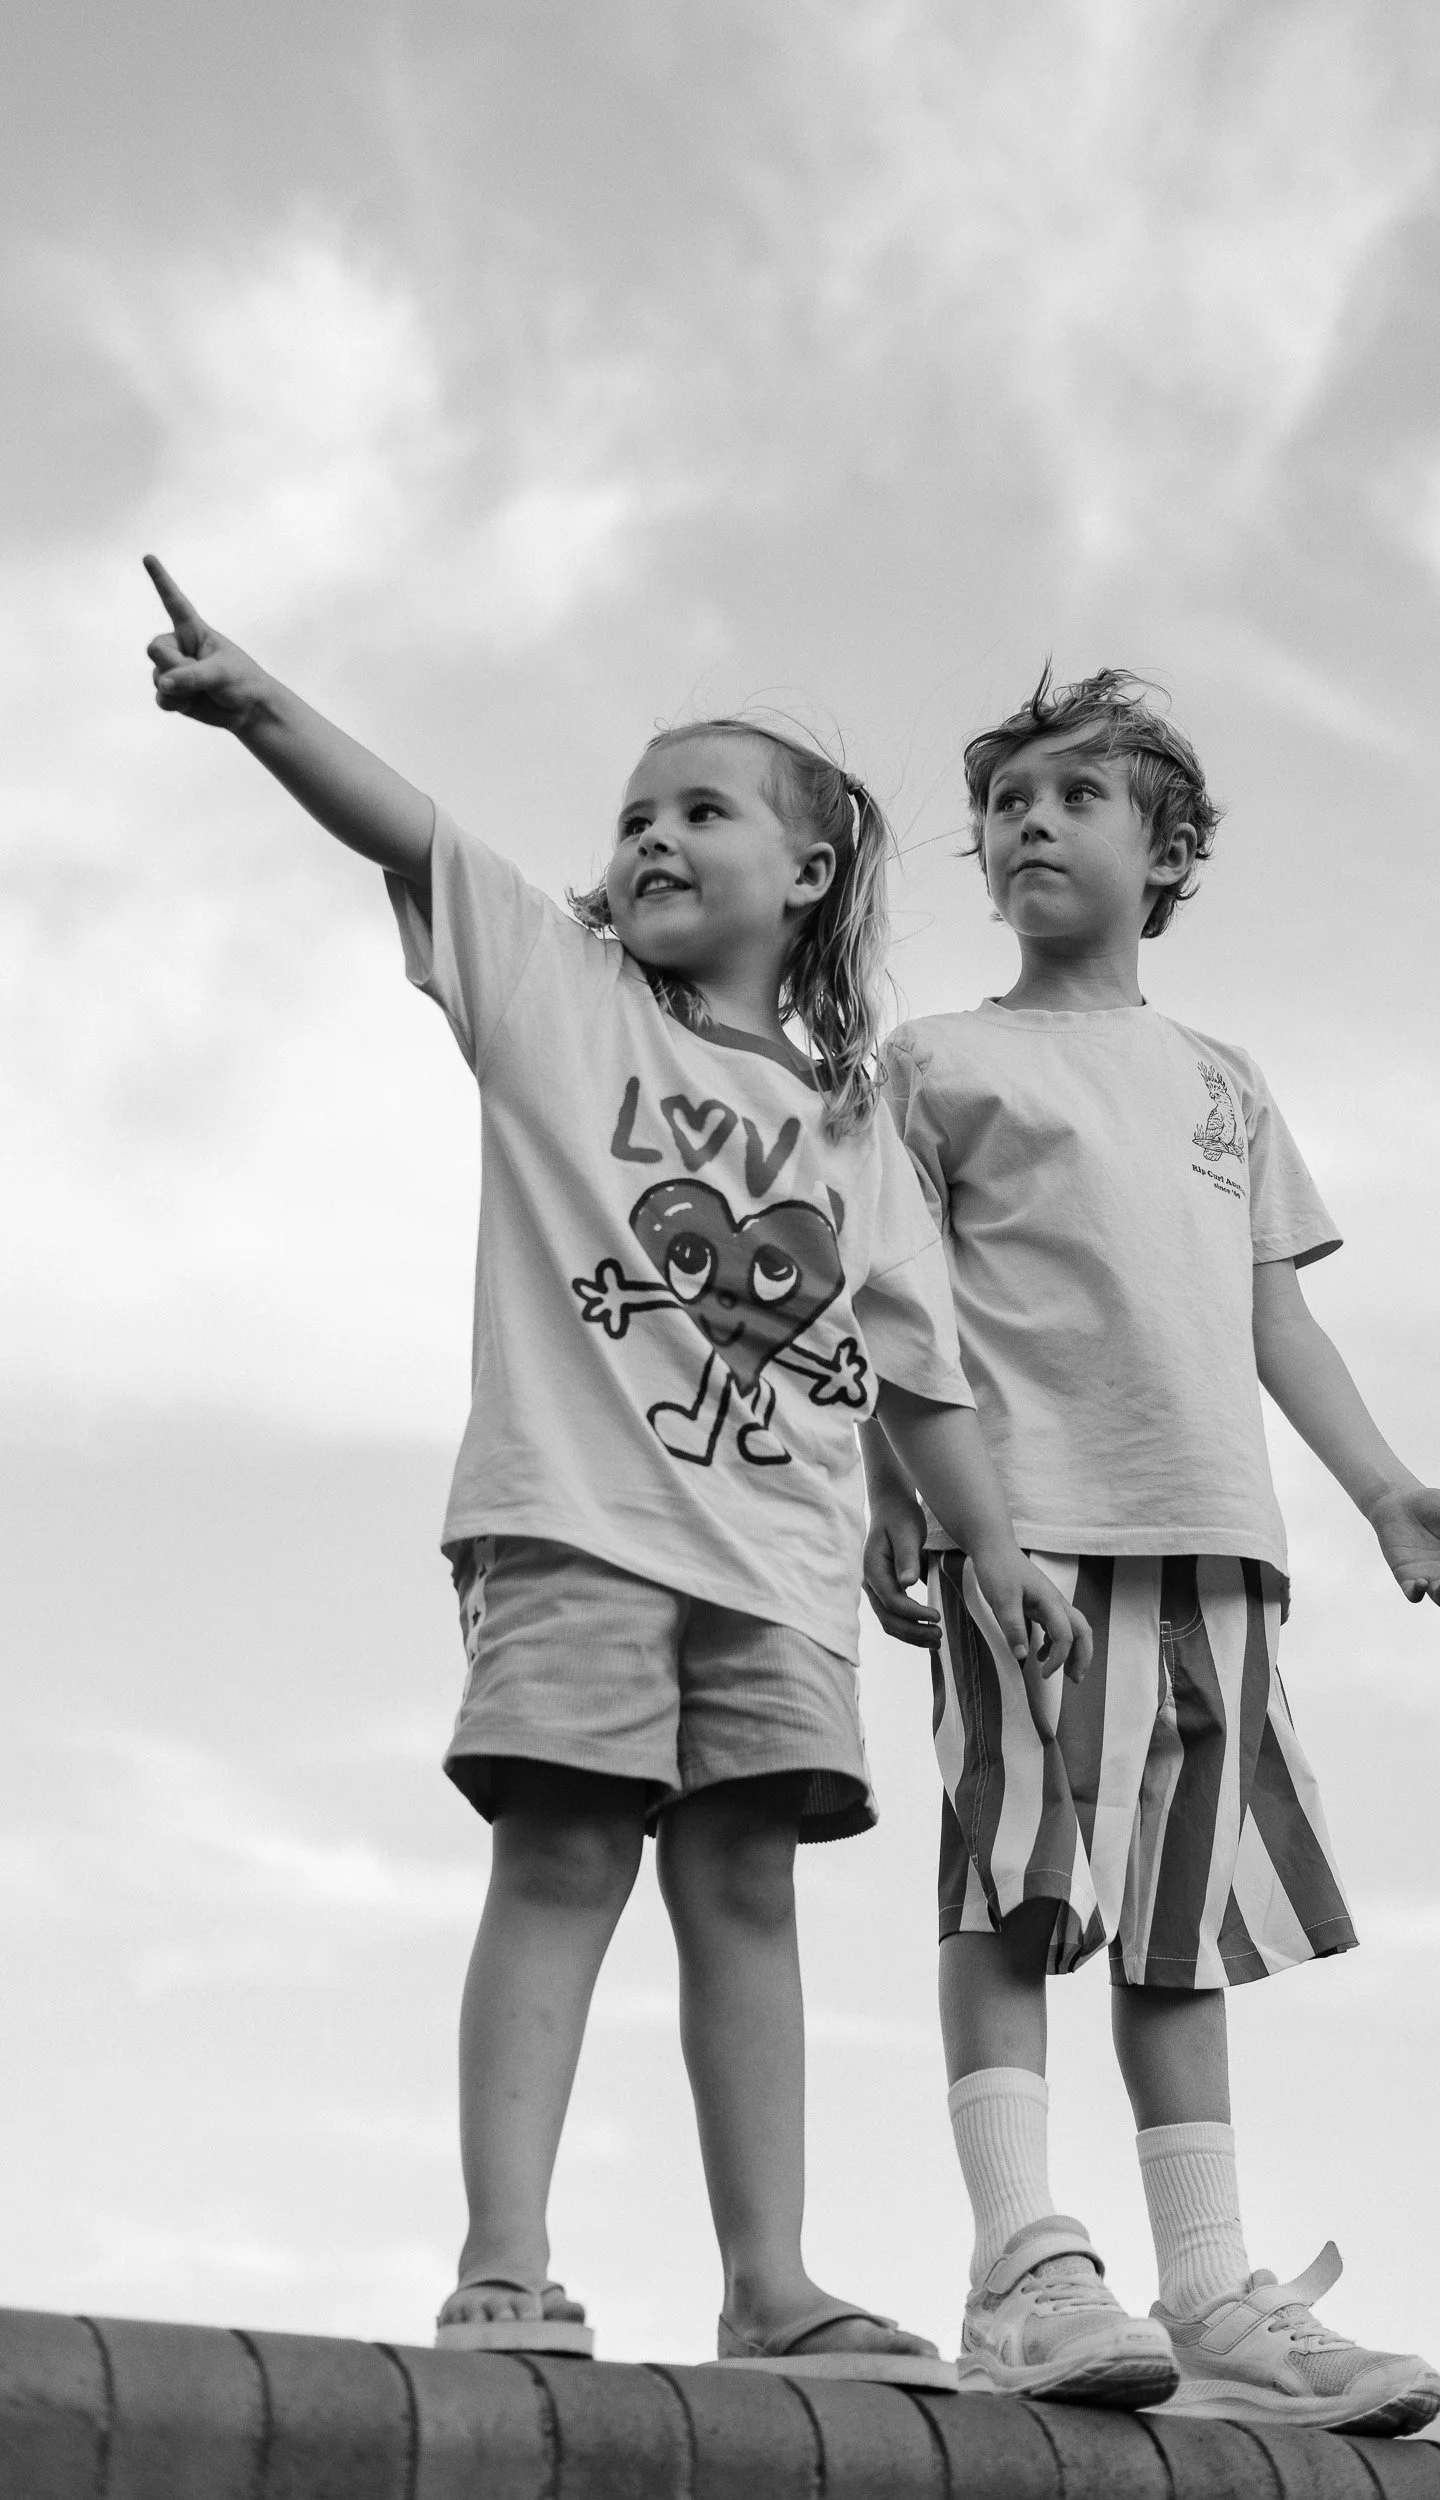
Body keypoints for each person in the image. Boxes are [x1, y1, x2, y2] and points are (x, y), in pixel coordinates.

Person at [142, 558, 1090, 2383]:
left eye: (701, 810)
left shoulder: (849, 1117)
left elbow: (919, 1373)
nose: (652, 837)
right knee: (563, 1852)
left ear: (806, 874)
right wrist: (258, 706)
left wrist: (997, 1554)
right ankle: (505, 2266)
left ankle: (772, 2287)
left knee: (746, 1888)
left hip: (786, 1565)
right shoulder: (562, 995)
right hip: (576, 1525)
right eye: (634, 814)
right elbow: (408, 831)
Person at [861, 666, 1440, 2427]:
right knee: (1014, 1881)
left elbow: (1271, 1324)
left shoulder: (1220, 1082)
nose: (1027, 826)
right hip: (1030, 1539)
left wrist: (1381, 1492)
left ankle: (1209, 2288)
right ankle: (1019, 2261)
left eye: (1076, 798)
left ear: (1167, 856)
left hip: (1218, 1548)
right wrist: (904, 1510)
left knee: (1176, 1932)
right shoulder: (938, 1064)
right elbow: (894, 1311)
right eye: (1006, 806)